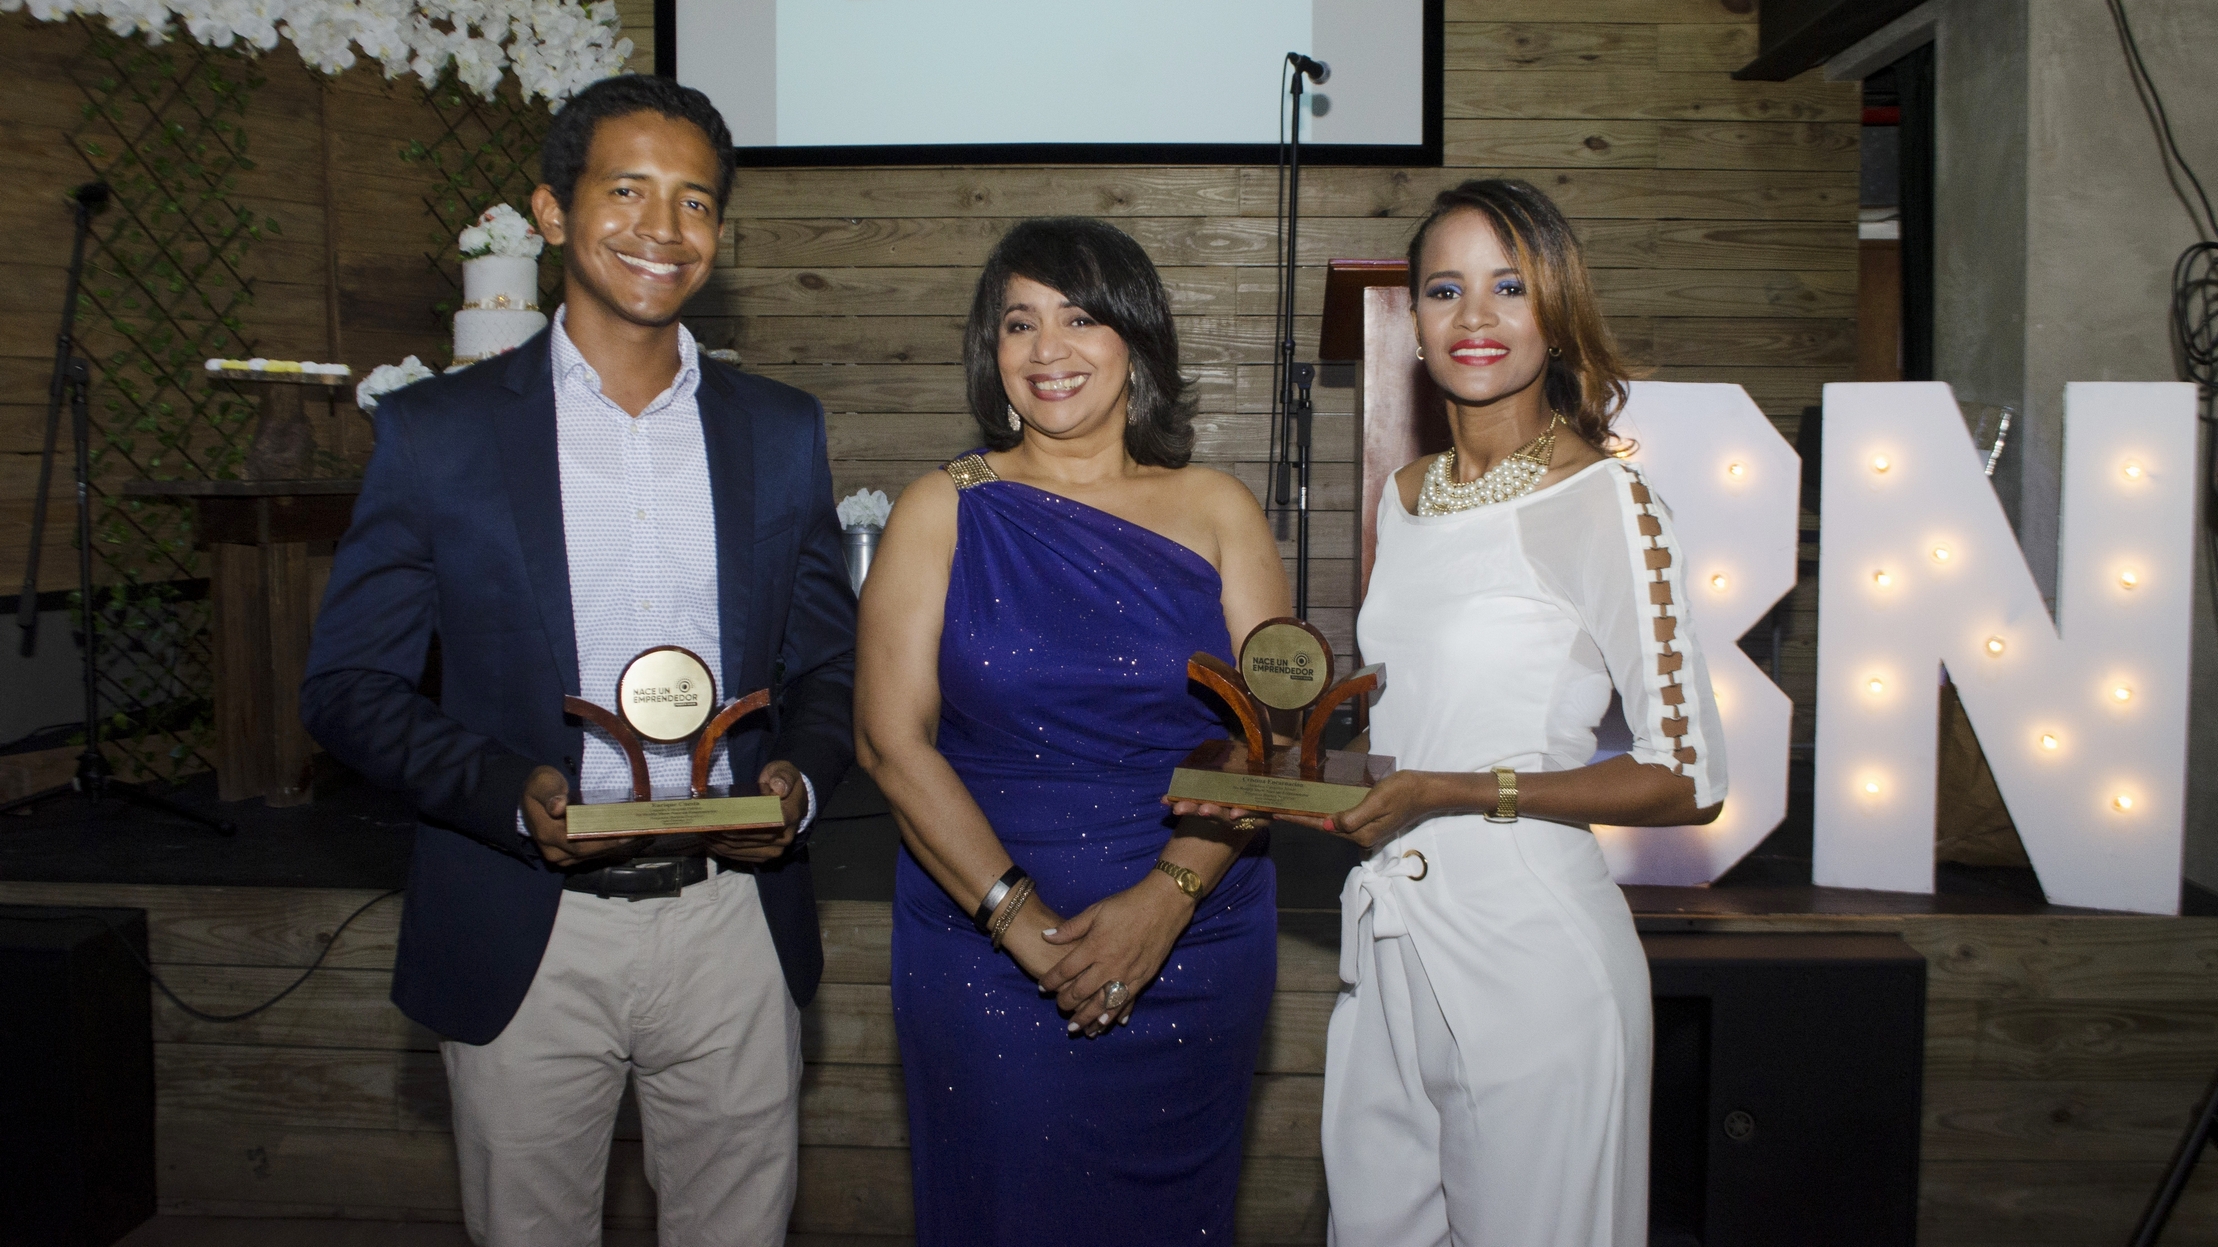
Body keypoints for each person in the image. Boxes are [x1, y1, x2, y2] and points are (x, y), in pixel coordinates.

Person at [301, 73, 855, 1247]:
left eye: (697, 201)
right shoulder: (439, 433)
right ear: (552, 213)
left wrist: (796, 785)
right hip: (524, 921)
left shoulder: (780, 428)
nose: (664, 229)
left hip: (732, 919)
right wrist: (505, 789)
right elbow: (348, 686)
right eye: (628, 190)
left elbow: (827, 666)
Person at [1299, 179, 1724, 1246]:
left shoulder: (1606, 499)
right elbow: (1417, 719)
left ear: (1555, 310)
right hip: (1391, 941)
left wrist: (1453, 789)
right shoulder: (1406, 496)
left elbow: (1688, 775)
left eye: (1508, 287)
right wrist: (1291, 773)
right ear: (1416, 317)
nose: (1474, 318)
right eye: (1445, 288)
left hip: (1533, 956)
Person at [854, 217, 1289, 1245]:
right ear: (992, 353)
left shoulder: (1218, 506)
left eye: (1080, 316)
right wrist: (1022, 925)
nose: (1049, 349)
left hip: (1197, 930)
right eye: (1019, 322)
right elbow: (888, 741)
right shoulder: (943, 506)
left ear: (1134, 338)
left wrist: (1166, 897)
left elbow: (1269, 736)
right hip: (984, 945)